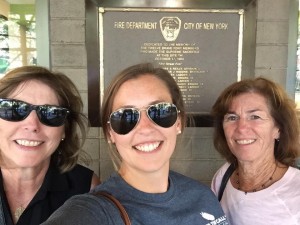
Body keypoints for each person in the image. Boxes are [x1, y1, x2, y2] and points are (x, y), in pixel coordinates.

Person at [41, 63, 229, 225]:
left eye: (160, 111)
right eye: (125, 117)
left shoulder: (203, 197)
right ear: (110, 134)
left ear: (178, 122)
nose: (145, 128)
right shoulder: (96, 211)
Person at [0, 66, 100, 225]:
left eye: (50, 113)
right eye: (14, 109)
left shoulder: (85, 187)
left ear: (64, 130)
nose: (32, 125)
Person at [210, 77, 300, 224]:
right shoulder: (223, 177)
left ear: (278, 129)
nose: (241, 127)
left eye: (255, 117)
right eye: (232, 117)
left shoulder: (296, 191)